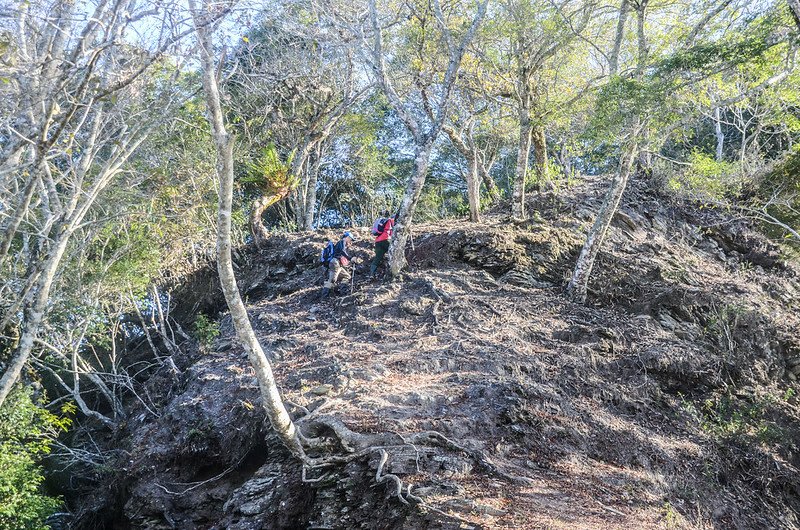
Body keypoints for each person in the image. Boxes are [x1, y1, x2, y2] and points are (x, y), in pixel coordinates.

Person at [322, 231, 357, 298]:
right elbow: (342, 251)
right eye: (351, 239)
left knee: (347, 276)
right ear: (347, 237)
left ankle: (343, 293)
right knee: (332, 280)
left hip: (338, 265)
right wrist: (350, 258)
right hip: (335, 263)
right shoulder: (342, 242)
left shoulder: (342, 243)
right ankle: (324, 297)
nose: (350, 241)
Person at [370, 211, 396, 280]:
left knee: (377, 258)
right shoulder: (391, 220)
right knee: (394, 253)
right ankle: (393, 271)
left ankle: (371, 274)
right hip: (386, 239)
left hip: (378, 241)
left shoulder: (384, 221)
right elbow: (395, 229)